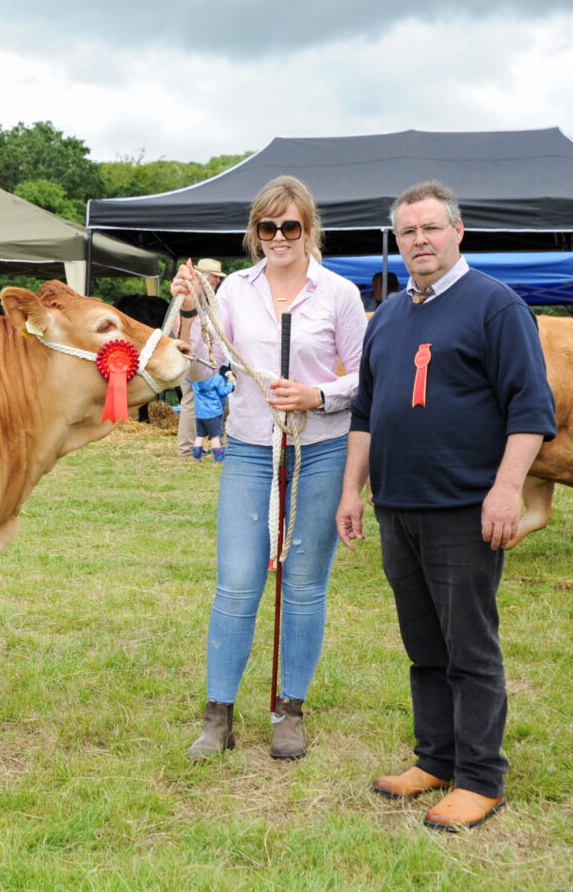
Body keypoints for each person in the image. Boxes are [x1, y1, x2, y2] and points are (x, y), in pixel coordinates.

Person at [336, 180, 557, 832]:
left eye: (431, 228)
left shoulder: (496, 306)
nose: (419, 241)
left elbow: (530, 411)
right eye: (408, 232)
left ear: (459, 231)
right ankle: (435, 757)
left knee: (469, 647)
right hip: (396, 505)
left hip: (464, 506)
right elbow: (365, 413)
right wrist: (352, 490)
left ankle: (482, 778)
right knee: (423, 643)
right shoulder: (389, 316)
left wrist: (506, 488)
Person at [175, 175, 366, 763]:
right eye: (268, 227)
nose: (279, 236)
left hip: (322, 449)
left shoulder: (338, 293)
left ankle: (290, 710)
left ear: (309, 229)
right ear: (255, 233)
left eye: (291, 226)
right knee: (236, 582)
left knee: (304, 585)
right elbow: (205, 369)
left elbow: (366, 378)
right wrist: (189, 309)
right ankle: (218, 716)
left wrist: (319, 396)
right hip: (252, 447)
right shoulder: (233, 289)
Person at [177, 259, 226, 457]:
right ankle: (187, 448)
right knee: (190, 399)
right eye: (214, 276)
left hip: (200, 357)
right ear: (203, 278)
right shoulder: (191, 298)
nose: (216, 281)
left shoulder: (201, 299)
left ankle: (193, 445)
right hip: (188, 356)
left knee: (194, 400)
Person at [189, 366, 234, 461]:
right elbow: (223, 392)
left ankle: (196, 457)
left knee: (200, 435)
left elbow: (186, 376)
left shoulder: (194, 378)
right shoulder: (216, 378)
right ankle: (219, 458)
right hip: (213, 413)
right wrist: (230, 382)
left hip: (200, 413)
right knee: (215, 437)